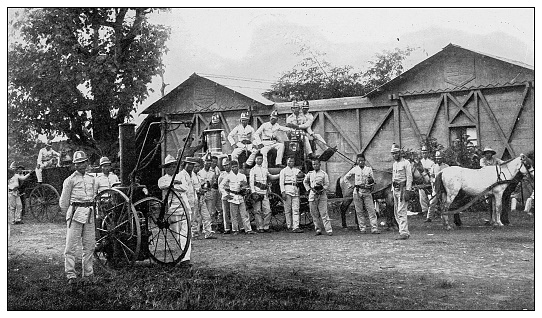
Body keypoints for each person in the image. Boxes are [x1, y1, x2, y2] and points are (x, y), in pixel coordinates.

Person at [58, 151, 98, 285]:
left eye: (83, 162)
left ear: (87, 163)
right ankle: (71, 274)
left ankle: (88, 273)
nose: (81, 165)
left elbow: (95, 196)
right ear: (74, 165)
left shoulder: (92, 179)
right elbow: (63, 203)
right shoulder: (70, 180)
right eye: (78, 163)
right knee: (71, 246)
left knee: (89, 245)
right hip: (75, 213)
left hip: (90, 214)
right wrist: (68, 215)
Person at [157, 154, 192, 267]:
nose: (172, 168)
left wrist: (173, 186)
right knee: (177, 236)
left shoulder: (181, 176)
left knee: (186, 235)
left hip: (185, 209)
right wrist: (173, 184)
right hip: (174, 210)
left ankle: (185, 259)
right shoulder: (163, 179)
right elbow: (162, 185)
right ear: (166, 168)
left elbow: (185, 188)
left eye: (174, 166)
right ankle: (183, 255)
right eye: (170, 167)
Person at [179, 157, 216, 240]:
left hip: (199, 198)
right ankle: (194, 234)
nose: (191, 167)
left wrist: (201, 190)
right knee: (193, 218)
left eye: (192, 165)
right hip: (189, 199)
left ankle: (208, 233)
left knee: (206, 216)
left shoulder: (194, 175)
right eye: (189, 164)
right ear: (185, 164)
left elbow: (198, 187)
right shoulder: (181, 175)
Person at [344, 153, 380, 234]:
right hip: (357, 192)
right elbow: (345, 178)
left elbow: (373, 181)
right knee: (359, 211)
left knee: (371, 211)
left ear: (365, 161)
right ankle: (362, 228)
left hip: (367, 192)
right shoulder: (355, 169)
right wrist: (350, 185)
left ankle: (374, 228)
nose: (361, 162)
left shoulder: (369, 169)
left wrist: (370, 184)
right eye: (359, 161)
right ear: (357, 161)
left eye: (362, 160)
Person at [219, 160, 255, 235]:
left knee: (244, 214)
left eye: (236, 167)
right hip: (232, 197)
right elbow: (221, 186)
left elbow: (246, 186)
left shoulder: (242, 176)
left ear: (238, 167)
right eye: (233, 167)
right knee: (233, 215)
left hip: (241, 196)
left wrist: (244, 189)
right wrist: (226, 194)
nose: (234, 168)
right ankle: (235, 230)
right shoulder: (228, 176)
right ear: (231, 168)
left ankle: (248, 229)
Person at [249, 153, 279, 233]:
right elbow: (251, 182)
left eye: (261, 159)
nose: (260, 160)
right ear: (255, 160)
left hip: (264, 192)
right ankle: (260, 227)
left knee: (268, 210)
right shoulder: (253, 170)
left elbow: (271, 177)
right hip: (257, 192)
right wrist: (253, 192)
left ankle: (266, 226)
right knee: (257, 211)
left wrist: (280, 174)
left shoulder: (265, 169)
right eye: (258, 159)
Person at [303, 158, 332, 236]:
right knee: (314, 213)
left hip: (322, 195)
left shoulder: (323, 174)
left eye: (316, 164)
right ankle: (318, 229)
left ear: (320, 164)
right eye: (313, 164)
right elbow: (305, 182)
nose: (315, 165)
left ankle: (328, 230)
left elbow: (327, 184)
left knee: (324, 213)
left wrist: (322, 189)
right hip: (312, 195)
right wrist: (309, 189)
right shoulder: (310, 174)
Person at [391, 144, 413, 240]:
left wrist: (408, 190)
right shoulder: (394, 164)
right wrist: (392, 190)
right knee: (396, 212)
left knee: (401, 211)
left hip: (403, 189)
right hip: (395, 189)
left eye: (396, 153)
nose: (394, 155)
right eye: (393, 154)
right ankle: (404, 231)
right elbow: (393, 177)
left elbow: (409, 177)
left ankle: (403, 232)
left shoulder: (406, 163)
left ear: (400, 153)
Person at [279, 156, 304, 233]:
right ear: (286, 162)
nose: (291, 163)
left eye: (292, 161)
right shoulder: (283, 171)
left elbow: (303, 175)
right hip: (287, 190)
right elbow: (281, 183)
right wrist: (283, 192)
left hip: (295, 190)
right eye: (289, 161)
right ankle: (289, 226)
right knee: (287, 209)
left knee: (296, 209)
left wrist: (301, 174)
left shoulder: (296, 170)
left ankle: (296, 227)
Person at [198, 155, 220, 232]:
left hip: (209, 192)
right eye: (207, 162)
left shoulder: (212, 173)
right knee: (202, 212)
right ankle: (199, 228)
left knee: (209, 212)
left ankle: (207, 229)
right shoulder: (200, 172)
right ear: (204, 163)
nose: (208, 164)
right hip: (202, 193)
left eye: (209, 163)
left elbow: (213, 182)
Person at [425, 151, 449, 222]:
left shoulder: (446, 166)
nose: (438, 160)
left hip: (444, 188)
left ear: (442, 159)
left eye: (440, 158)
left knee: (445, 203)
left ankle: (444, 217)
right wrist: (434, 182)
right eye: (437, 158)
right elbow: (431, 178)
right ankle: (429, 217)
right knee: (432, 202)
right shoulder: (434, 167)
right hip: (436, 188)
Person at [418, 146, 435, 217]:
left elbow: (432, 172)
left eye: (425, 152)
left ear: (428, 153)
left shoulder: (431, 162)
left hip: (430, 180)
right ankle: (424, 210)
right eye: (423, 153)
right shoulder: (420, 162)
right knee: (422, 195)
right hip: (422, 182)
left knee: (432, 197)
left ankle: (433, 210)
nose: (424, 154)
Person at [218, 157, 233, 234]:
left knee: (234, 212)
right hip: (225, 194)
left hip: (233, 193)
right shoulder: (222, 175)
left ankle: (235, 227)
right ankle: (227, 228)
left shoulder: (234, 173)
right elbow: (220, 187)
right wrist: (224, 194)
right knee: (225, 212)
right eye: (225, 165)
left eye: (228, 164)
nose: (227, 166)